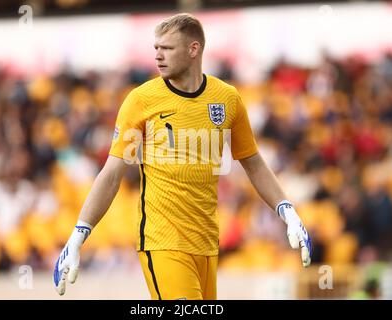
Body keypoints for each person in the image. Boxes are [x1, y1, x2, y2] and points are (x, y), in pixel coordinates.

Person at [53, 13, 312, 300]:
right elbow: (113, 172)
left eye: (167, 48)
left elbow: (252, 161)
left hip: (206, 243)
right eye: (156, 49)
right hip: (162, 241)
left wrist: (286, 210)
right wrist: (79, 234)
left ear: (193, 49)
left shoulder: (226, 99)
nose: (158, 56)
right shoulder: (141, 101)